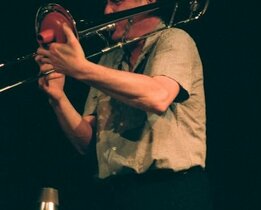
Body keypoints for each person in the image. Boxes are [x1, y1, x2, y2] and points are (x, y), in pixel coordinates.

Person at [35, 0, 212, 209]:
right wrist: (57, 98)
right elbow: (89, 142)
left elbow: (158, 96)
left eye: (116, 2)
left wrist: (81, 69)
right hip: (118, 194)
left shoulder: (174, 39)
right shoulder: (109, 59)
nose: (107, 10)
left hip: (171, 191)